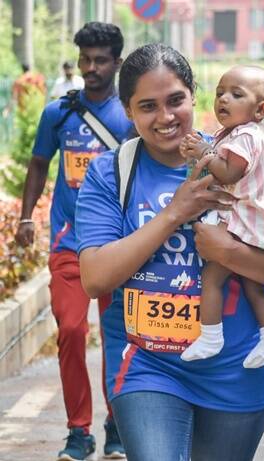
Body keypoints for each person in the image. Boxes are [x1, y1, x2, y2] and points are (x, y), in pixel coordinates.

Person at [75, 43, 264, 461]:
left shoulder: (238, 161)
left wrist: (229, 253)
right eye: (147, 106)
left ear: (194, 96)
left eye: (175, 101)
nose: (165, 117)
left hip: (236, 366)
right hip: (147, 364)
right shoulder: (111, 172)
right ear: (128, 111)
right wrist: (174, 213)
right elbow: (95, 278)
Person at [14, 22, 131, 461]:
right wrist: (27, 216)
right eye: (85, 59)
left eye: (101, 60)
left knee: (119, 336)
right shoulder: (58, 113)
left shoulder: (130, 116)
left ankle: (117, 424)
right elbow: (39, 163)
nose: (91, 68)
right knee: (72, 331)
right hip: (68, 243)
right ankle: (78, 431)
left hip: (118, 247)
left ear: (117, 62)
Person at [177, 65, 264, 367]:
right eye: (220, 92)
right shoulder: (232, 134)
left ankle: (210, 336)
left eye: (236, 94)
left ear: (260, 110)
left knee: (211, 279)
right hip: (252, 216)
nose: (223, 99)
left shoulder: (246, 135)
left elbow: (229, 172)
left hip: (245, 219)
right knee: (252, 281)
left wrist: (204, 152)